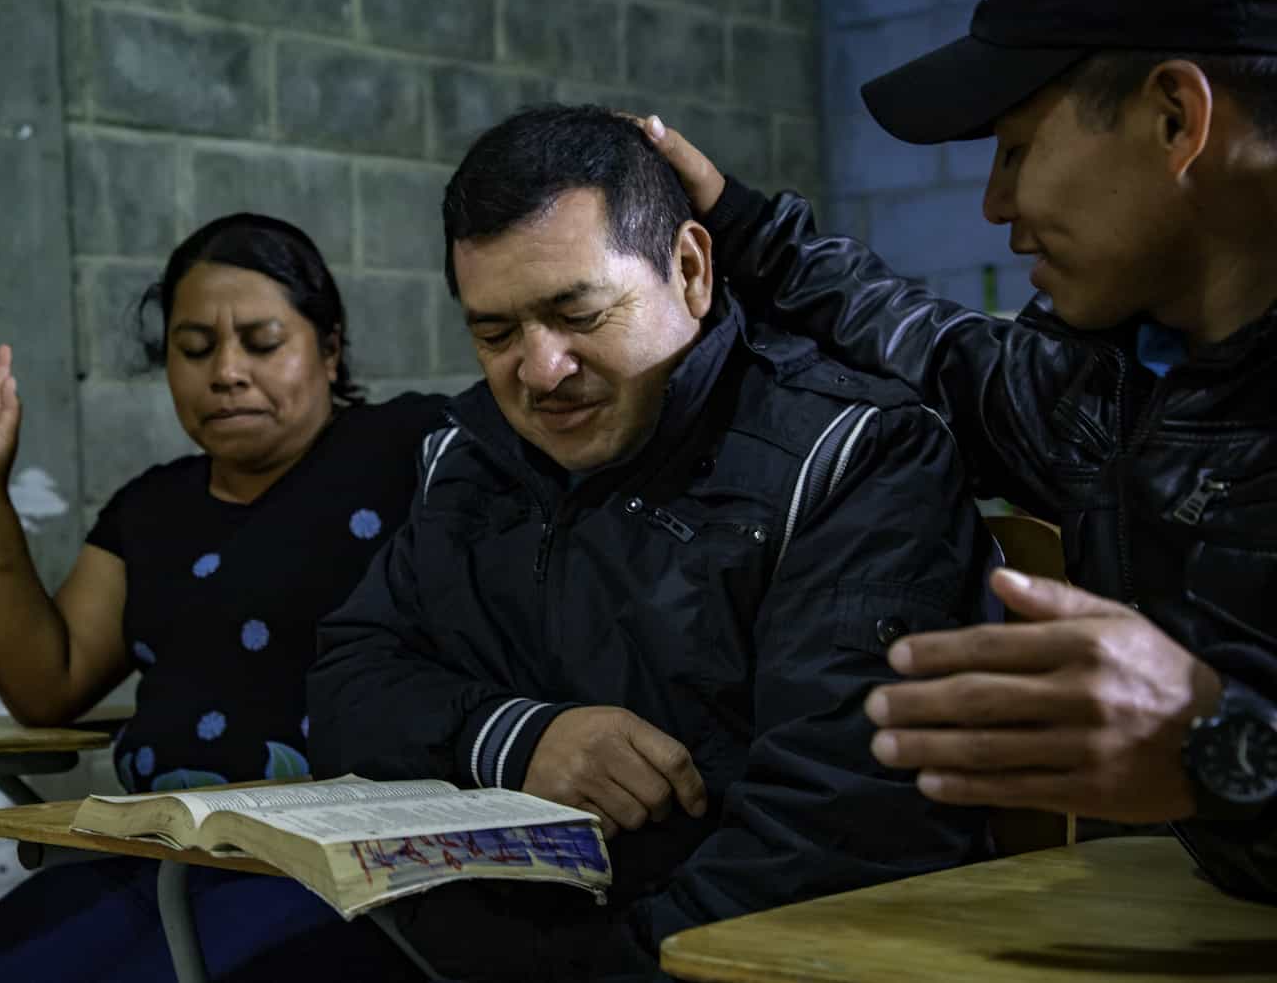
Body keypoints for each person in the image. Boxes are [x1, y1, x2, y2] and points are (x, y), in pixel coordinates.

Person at [646, 0, 1277, 904]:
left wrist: (1222, 744)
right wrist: (749, 229)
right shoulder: (1108, 385)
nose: (992, 202)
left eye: (1017, 148)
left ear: (1174, 120)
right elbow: (933, 347)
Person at [306, 105, 1000, 981]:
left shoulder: (851, 461)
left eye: (578, 313)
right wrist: (513, 739)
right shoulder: (469, 459)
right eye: (495, 332)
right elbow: (346, 685)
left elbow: (834, 835)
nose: (540, 370)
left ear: (690, 270)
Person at [0, 214, 431, 980]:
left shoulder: (410, 450)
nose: (225, 370)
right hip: (152, 859)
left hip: (337, 871)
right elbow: (46, 682)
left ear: (329, 346)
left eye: (262, 342)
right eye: (194, 348)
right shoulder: (150, 511)